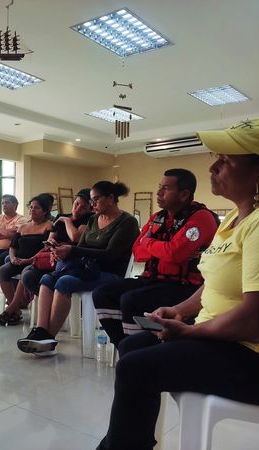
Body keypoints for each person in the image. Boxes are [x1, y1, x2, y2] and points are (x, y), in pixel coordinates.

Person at [96, 119, 259, 450]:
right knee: (131, 347)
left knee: (135, 367)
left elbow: (253, 319)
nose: (213, 167)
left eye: (226, 160)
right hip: (222, 336)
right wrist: (181, 311)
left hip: (248, 352)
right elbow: (213, 283)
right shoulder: (232, 219)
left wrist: (191, 332)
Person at [93, 169, 219, 345]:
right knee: (102, 293)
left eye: (166, 188)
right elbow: (138, 252)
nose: (159, 192)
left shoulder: (201, 218)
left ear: (184, 194)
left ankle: (138, 349)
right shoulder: (158, 218)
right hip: (154, 280)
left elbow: (175, 254)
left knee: (131, 300)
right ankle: (125, 346)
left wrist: (148, 242)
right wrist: (161, 247)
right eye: (160, 187)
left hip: (185, 287)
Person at [17, 181, 139, 355]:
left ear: (111, 198)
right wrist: (62, 252)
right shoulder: (94, 219)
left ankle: (48, 339)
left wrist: (72, 250)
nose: (92, 204)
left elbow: (110, 254)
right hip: (86, 269)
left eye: (95, 199)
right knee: (47, 278)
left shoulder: (127, 222)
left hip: (110, 273)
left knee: (65, 282)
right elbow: (81, 247)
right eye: (91, 200)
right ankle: (41, 331)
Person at [0, 189, 93, 326]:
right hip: (49, 257)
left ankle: (17, 308)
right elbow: (49, 240)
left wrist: (66, 221)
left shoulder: (88, 219)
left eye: (83, 207)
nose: (77, 208)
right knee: (11, 269)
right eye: (76, 204)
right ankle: (18, 307)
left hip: (67, 261)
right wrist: (52, 243)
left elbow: (75, 237)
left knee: (26, 271)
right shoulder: (55, 218)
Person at [0, 194, 54, 318]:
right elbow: (13, 247)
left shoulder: (48, 226)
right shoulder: (23, 227)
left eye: (37, 208)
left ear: (45, 211)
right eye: (31, 207)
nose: (32, 210)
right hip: (19, 260)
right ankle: (16, 309)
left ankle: (11, 308)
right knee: (2, 270)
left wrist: (29, 260)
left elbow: (46, 248)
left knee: (25, 272)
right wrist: (12, 258)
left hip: (36, 262)